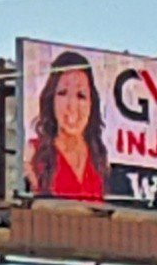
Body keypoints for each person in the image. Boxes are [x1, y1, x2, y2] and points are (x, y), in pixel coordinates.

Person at [26, 52, 107, 206]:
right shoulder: (34, 153)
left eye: (81, 95)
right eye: (62, 93)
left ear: (92, 103)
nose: (72, 106)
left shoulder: (100, 158)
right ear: (51, 99)